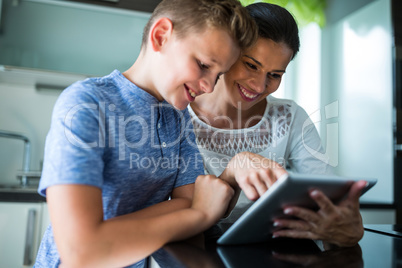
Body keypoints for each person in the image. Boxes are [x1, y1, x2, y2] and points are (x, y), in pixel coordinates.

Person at [34, 1, 258, 267]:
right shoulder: (85, 103)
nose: (209, 87)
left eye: (218, 75)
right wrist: (198, 214)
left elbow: (193, 200)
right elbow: (81, 252)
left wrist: (105, 232)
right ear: (161, 35)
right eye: (203, 65)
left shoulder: (177, 116)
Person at [189, 2, 368, 248]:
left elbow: (329, 196)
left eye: (274, 75)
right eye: (251, 65)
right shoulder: (179, 110)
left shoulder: (290, 116)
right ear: (227, 52)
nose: (259, 86)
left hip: (276, 253)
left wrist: (347, 226)